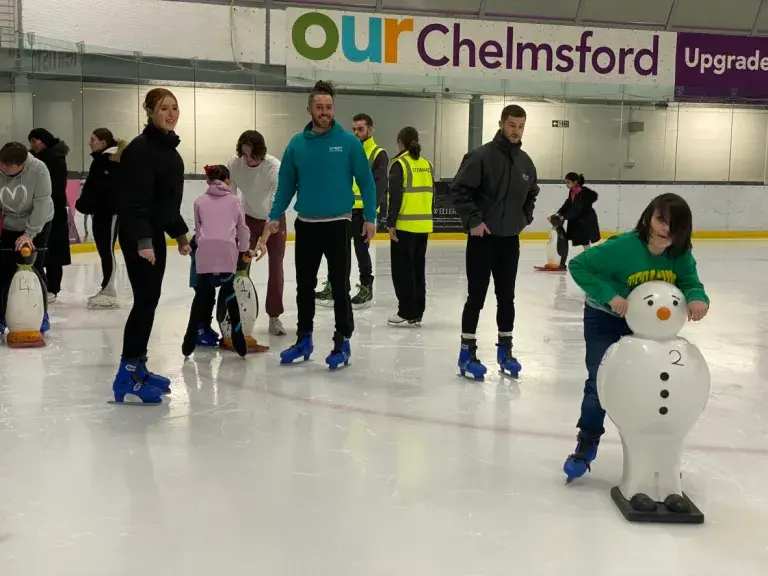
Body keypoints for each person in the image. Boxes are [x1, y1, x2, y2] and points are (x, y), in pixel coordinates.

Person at [563, 193, 710, 482]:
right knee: (599, 381)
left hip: (647, 325)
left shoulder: (679, 253)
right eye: (660, 220)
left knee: (654, 383)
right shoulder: (622, 247)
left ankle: (657, 453)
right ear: (648, 218)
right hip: (605, 320)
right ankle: (588, 440)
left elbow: (691, 282)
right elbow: (578, 266)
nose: (666, 229)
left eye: (674, 224)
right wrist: (609, 296)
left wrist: (697, 298)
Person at [265, 80, 376, 369]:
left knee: (340, 286)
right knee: (304, 286)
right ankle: (305, 339)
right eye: (319, 107)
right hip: (307, 224)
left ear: (333, 109)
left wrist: (371, 218)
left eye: (328, 107)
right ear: (309, 109)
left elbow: (366, 181)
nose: (324, 112)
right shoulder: (297, 144)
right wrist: (275, 215)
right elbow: (286, 184)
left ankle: (342, 341)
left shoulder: (349, 143)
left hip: (339, 223)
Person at [112, 88, 190, 405]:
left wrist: (180, 235)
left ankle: (139, 366)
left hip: (153, 234)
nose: (171, 113)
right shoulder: (141, 150)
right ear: (149, 112)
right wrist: (144, 241)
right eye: (163, 108)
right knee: (145, 301)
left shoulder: (169, 151)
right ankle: (126, 374)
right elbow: (134, 202)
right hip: (138, 236)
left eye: (174, 108)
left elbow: (165, 204)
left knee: (150, 300)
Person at [450, 104, 539, 380]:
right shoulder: (481, 156)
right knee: (476, 297)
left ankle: (505, 350)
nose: (516, 131)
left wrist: (523, 219)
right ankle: (467, 352)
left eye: (521, 126)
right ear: (502, 123)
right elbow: (459, 190)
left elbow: (531, 193)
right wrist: (474, 220)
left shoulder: (525, 162)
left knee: (507, 297)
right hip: (483, 240)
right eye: (512, 125)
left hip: (509, 240)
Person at [315, 113, 388, 310]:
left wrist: (369, 216)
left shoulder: (377, 153)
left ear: (370, 129)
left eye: (360, 129)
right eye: (354, 129)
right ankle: (336, 286)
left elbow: (378, 187)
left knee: (361, 251)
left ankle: (366, 287)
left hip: (363, 212)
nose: (356, 133)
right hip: (343, 209)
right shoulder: (348, 150)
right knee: (337, 251)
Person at [182, 164, 250, 358]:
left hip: (205, 253)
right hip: (227, 252)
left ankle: (189, 339)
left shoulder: (199, 201)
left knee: (202, 295)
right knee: (229, 294)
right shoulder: (235, 201)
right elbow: (242, 229)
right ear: (227, 180)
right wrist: (244, 250)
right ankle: (239, 341)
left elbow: (198, 229)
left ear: (208, 181)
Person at [227, 130, 286, 337]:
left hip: (274, 217)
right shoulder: (235, 165)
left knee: (276, 264)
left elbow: (275, 206)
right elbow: (231, 198)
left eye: (254, 156)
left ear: (262, 153)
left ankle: (274, 316)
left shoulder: (274, 168)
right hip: (248, 218)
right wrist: (234, 228)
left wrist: (264, 240)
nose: (249, 160)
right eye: (245, 155)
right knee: (242, 266)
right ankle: (240, 314)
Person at [0, 142, 54, 332]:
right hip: (9, 222)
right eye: (2, 165)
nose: (3, 169)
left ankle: (42, 314)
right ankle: (2, 314)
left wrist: (29, 234)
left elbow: (42, 203)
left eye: (8, 167)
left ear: (22, 164)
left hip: (37, 222)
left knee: (35, 266)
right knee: (4, 268)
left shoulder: (39, 170)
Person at [386, 126, 433, 327]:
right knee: (417, 270)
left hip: (405, 226)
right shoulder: (427, 164)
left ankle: (406, 311)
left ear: (400, 142)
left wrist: (390, 223)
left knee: (402, 271)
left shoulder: (399, 164)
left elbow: (395, 197)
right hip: (423, 225)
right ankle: (417, 312)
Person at [76, 128, 127, 309]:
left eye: (93, 139)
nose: (90, 142)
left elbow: (107, 189)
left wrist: (89, 203)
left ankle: (109, 289)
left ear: (103, 142)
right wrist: (85, 203)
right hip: (101, 212)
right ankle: (106, 287)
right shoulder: (101, 160)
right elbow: (94, 187)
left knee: (107, 250)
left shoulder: (111, 160)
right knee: (103, 250)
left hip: (110, 212)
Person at [28, 128, 71, 303]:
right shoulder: (35, 160)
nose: (33, 145)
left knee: (53, 250)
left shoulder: (54, 159)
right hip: (39, 210)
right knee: (40, 250)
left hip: (54, 211)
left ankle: (53, 287)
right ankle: (41, 285)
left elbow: (56, 188)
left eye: (35, 141)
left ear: (44, 141)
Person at [552, 172, 600, 270]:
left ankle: (590, 261)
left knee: (585, 241)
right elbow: (568, 203)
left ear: (575, 182)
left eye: (568, 182)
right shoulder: (572, 191)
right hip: (579, 219)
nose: (566, 185)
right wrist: (559, 213)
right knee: (583, 240)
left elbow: (576, 209)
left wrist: (563, 217)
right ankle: (589, 260)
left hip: (586, 220)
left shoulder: (583, 194)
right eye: (565, 182)